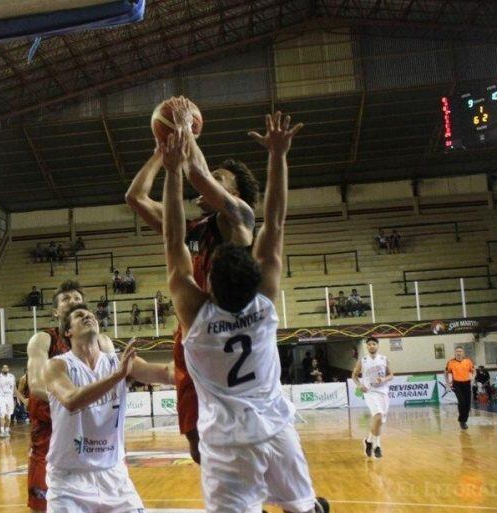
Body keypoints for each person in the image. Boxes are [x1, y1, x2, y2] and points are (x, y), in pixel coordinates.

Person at [161, 109, 327, 513]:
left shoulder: (197, 317)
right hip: (274, 428)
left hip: (226, 440)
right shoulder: (264, 303)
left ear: (209, 283)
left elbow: (172, 238)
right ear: (254, 277)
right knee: (304, 508)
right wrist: (279, 155)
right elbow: (278, 224)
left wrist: (173, 163)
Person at [125, 96, 259, 463]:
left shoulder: (240, 217)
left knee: (245, 444)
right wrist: (162, 151)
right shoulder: (194, 228)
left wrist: (183, 129)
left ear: (232, 193)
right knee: (200, 445)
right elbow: (135, 197)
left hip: (229, 331)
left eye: (220, 178)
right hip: (194, 332)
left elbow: (196, 172)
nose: (207, 180)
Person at [42, 304, 173, 512]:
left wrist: (196, 362)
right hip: (69, 480)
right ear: (67, 332)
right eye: (79, 316)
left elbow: (165, 373)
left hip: (113, 476)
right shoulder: (57, 366)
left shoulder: (117, 362)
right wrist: (117, 377)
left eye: (90, 314)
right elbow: (71, 400)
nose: (88, 316)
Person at [24, 280, 115, 512]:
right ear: (56, 311)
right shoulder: (43, 339)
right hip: (50, 435)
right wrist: (75, 401)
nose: (73, 301)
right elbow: (35, 386)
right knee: (42, 506)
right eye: (66, 299)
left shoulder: (101, 342)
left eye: (76, 298)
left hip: (91, 436)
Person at [351, 337, 393, 459]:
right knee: (378, 415)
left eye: (373, 344)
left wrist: (384, 379)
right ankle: (377, 446)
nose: (371, 346)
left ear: (377, 345)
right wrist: (359, 385)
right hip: (370, 392)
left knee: (379, 421)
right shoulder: (362, 360)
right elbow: (354, 375)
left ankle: (369, 441)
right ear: (367, 347)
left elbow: (391, 375)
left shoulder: (384, 359)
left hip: (383, 391)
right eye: (369, 344)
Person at [445, 346, 475, 429]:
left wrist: (472, 379)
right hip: (456, 384)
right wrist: (448, 383)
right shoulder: (450, 362)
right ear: (455, 353)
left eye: (460, 351)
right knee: (462, 402)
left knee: (467, 404)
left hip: (467, 383)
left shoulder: (468, 361)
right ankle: (462, 422)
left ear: (463, 352)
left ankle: (464, 419)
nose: (459, 353)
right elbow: (446, 373)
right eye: (457, 351)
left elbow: (473, 371)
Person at [0, 364, 16, 438]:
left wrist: (18, 398)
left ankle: (6, 431)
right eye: (3, 368)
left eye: (6, 367)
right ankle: (2, 431)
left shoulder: (12, 377)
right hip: (1, 397)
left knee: (9, 415)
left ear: (8, 369)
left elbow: (14, 387)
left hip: (10, 397)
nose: (5, 369)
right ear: (2, 369)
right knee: (2, 413)